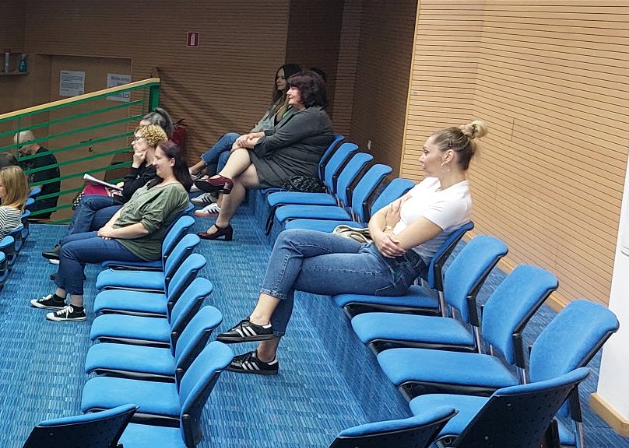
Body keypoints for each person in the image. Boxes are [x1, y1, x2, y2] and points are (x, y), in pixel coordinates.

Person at [216, 123, 486, 375]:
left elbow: (396, 245)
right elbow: (379, 216)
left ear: (448, 157)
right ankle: (260, 322)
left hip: (391, 271)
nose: (420, 158)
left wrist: (387, 228)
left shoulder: (455, 201)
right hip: (372, 249)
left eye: (426, 152)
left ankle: (264, 353)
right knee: (290, 240)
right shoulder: (432, 183)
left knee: (288, 271)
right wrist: (383, 229)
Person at [33, 141, 190, 322]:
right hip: (122, 234)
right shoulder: (156, 182)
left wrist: (112, 233)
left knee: (69, 251)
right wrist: (109, 226)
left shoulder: (173, 190)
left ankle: (76, 308)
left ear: (172, 161)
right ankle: (59, 298)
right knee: (67, 242)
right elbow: (127, 207)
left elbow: (145, 227)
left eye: (158, 158)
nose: (154, 163)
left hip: (137, 245)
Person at [192, 72, 336, 241]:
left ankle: (222, 197)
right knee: (237, 173)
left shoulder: (312, 116)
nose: (288, 92)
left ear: (308, 91)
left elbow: (275, 140)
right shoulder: (301, 113)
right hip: (283, 163)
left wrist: (246, 142)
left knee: (240, 160)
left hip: (295, 171)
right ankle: (222, 212)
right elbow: (274, 131)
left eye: (293, 88)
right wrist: (252, 136)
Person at [44, 121, 168, 261]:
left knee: (90, 212)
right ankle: (67, 245)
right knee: (86, 199)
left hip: (130, 205)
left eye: (137, 139)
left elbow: (129, 192)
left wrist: (134, 166)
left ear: (150, 142)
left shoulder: (153, 169)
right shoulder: (144, 162)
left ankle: (67, 247)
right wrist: (126, 180)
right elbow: (130, 185)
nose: (133, 143)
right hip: (125, 199)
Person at [189, 63, 301, 177]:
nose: (278, 81)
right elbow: (262, 123)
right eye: (277, 77)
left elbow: (276, 125)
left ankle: (196, 168)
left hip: (264, 144)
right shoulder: (277, 102)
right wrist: (251, 135)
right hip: (255, 137)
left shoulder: (294, 108)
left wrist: (286, 103)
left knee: (229, 137)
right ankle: (215, 186)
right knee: (224, 154)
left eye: (283, 78)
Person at [14, 130, 62, 220]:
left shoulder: (44, 158)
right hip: (28, 201)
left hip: (42, 204)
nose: (18, 150)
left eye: (20, 147)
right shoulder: (24, 157)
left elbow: (35, 190)